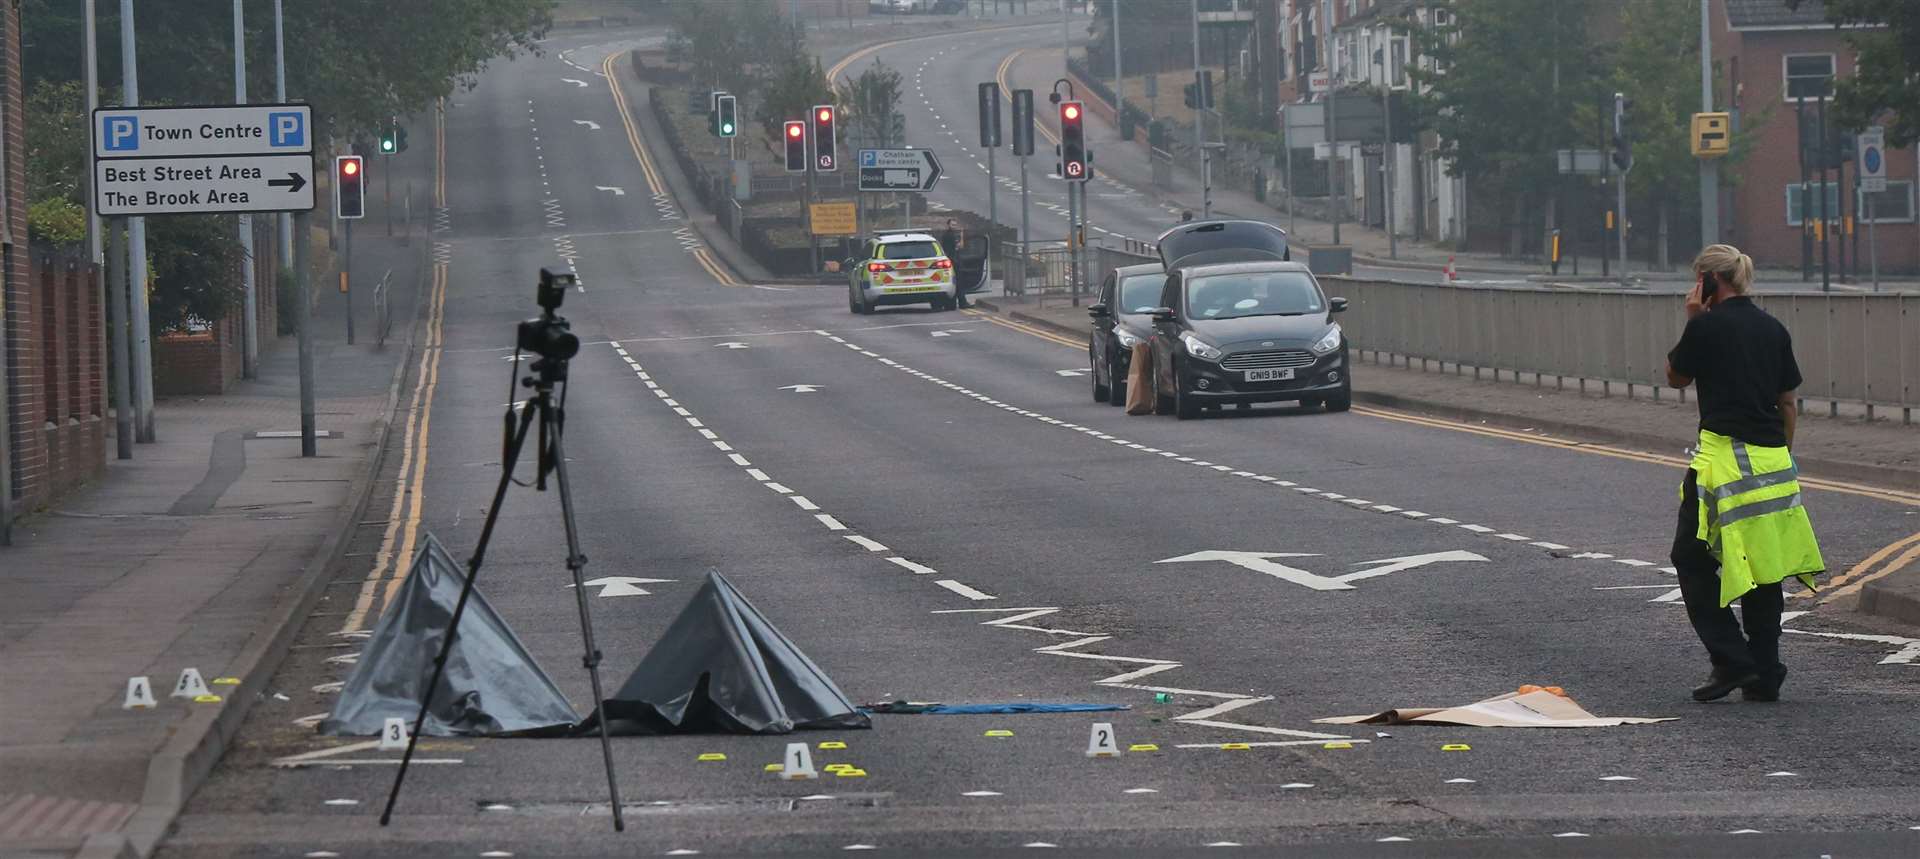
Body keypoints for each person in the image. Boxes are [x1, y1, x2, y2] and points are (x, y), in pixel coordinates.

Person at [1664, 244, 1824, 703]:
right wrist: (1782, 455)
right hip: (1774, 460)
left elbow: (1676, 377)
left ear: (1710, 282)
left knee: (1692, 559)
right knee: (1764, 565)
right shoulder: (1774, 329)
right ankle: (1767, 672)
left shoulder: (1706, 327)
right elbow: (1788, 402)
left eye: (1698, 280)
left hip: (1723, 463)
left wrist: (1693, 318)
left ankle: (1733, 659)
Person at [937, 219, 969, 307]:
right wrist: (962, 236)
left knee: (953, 283)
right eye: (952, 225)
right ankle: (963, 303)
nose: (954, 226)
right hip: (954, 261)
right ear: (948, 225)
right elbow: (960, 246)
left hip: (948, 261)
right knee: (958, 282)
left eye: (955, 225)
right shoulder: (951, 236)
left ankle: (952, 304)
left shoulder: (945, 235)